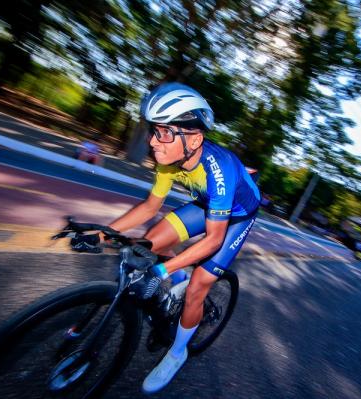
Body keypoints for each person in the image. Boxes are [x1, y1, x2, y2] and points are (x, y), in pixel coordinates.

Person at [70, 82, 260, 394]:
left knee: (200, 283)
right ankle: (177, 274)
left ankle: (177, 352)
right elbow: (149, 207)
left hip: (237, 216)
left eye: (164, 132)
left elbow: (213, 240)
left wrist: (160, 272)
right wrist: (102, 234)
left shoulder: (218, 168)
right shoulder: (168, 159)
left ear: (195, 138)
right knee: (148, 244)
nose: (153, 141)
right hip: (207, 204)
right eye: (153, 130)